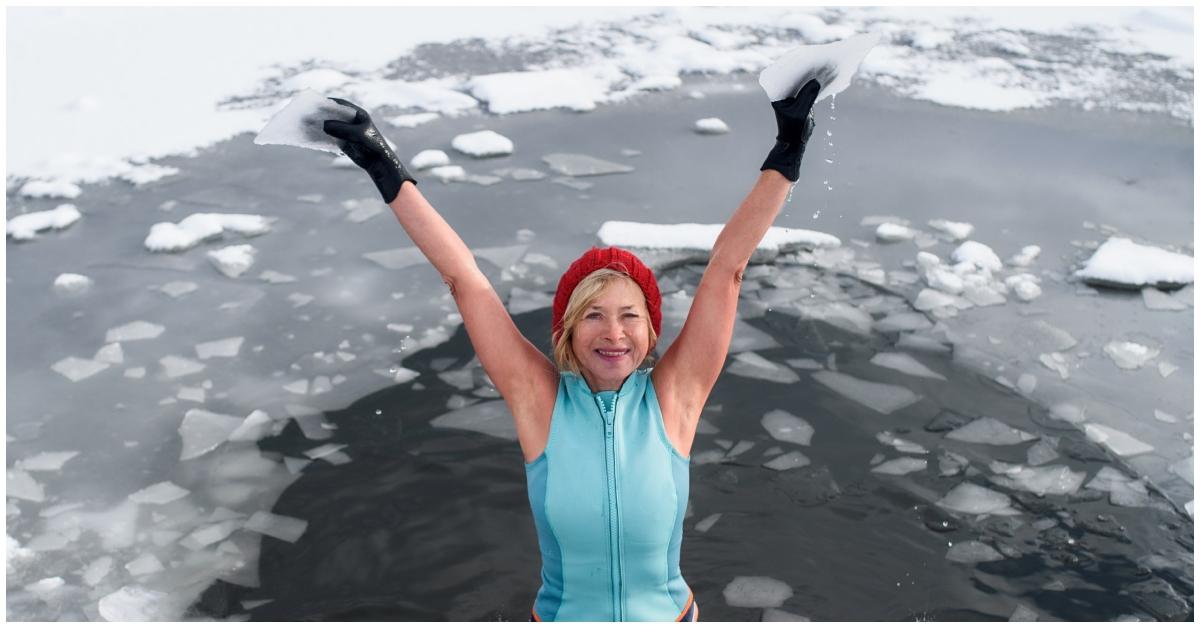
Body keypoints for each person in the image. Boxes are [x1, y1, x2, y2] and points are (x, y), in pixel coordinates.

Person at [323, 77, 821, 622]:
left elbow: (727, 267)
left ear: (651, 332)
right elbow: (465, 279)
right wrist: (385, 168)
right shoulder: (538, 402)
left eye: (630, 316)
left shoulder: (674, 399)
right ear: (567, 329)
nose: (614, 333)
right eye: (594, 315)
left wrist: (788, 149)